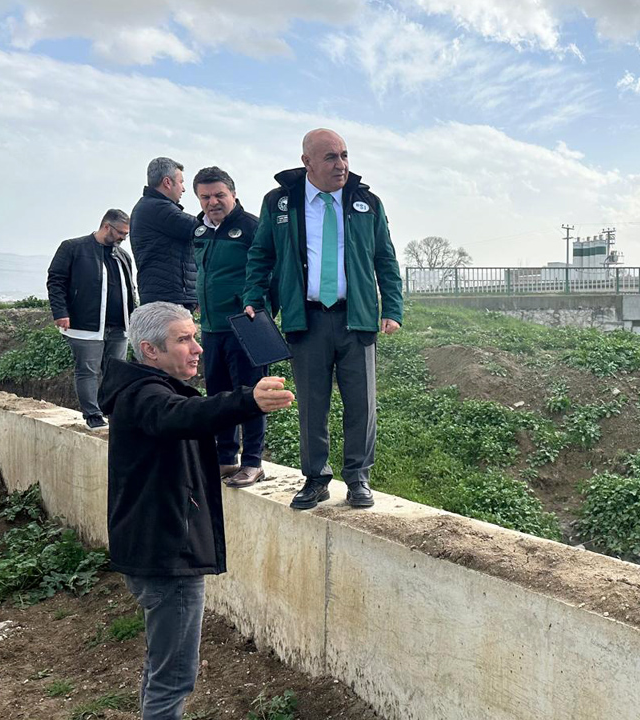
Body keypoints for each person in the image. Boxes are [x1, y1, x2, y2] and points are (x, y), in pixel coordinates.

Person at [98, 302, 294, 720]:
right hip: (168, 557)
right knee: (173, 678)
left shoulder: (141, 389)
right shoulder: (146, 396)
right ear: (150, 350)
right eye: (184, 339)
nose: (198, 348)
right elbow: (182, 416)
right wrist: (248, 400)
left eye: (195, 336)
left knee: (162, 667)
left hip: (156, 549)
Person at [243, 128, 403, 510]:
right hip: (307, 319)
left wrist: (392, 308)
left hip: (356, 318)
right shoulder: (280, 203)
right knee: (312, 405)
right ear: (307, 162)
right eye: (331, 157)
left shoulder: (367, 203)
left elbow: (385, 258)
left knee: (361, 404)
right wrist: (253, 298)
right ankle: (316, 478)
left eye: (345, 155)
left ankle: (358, 478)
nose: (341, 165)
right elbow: (261, 254)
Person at [191, 166, 266, 488]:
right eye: (205, 197)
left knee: (251, 394)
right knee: (219, 395)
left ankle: (253, 462)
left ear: (233, 194)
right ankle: (225, 457)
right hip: (211, 327)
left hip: (245, 324)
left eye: (219, 195)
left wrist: (258, 306)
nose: (212, 202)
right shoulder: (199, 231)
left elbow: (268, 270)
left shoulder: (251, 227)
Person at [46, 209, 138, 429]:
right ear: (107, 226)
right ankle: (93, 415)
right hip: (85, 325)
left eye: (126, 234)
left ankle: (114, 413)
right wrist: (60, 312)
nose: (123, 238)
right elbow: (56, 281)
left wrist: (134, 316)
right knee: (88, 370)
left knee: (115, 372)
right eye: (121, 233)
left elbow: (130, 288)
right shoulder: (73, 248)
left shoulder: (122, 255)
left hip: (120, 326)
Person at [131, 157, 200, 308]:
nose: (183, 189)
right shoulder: (158, 208)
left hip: (165, 295)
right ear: (167, 182)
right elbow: (198, 228)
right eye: (181, 182)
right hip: (168, 298)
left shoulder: (149, 206)